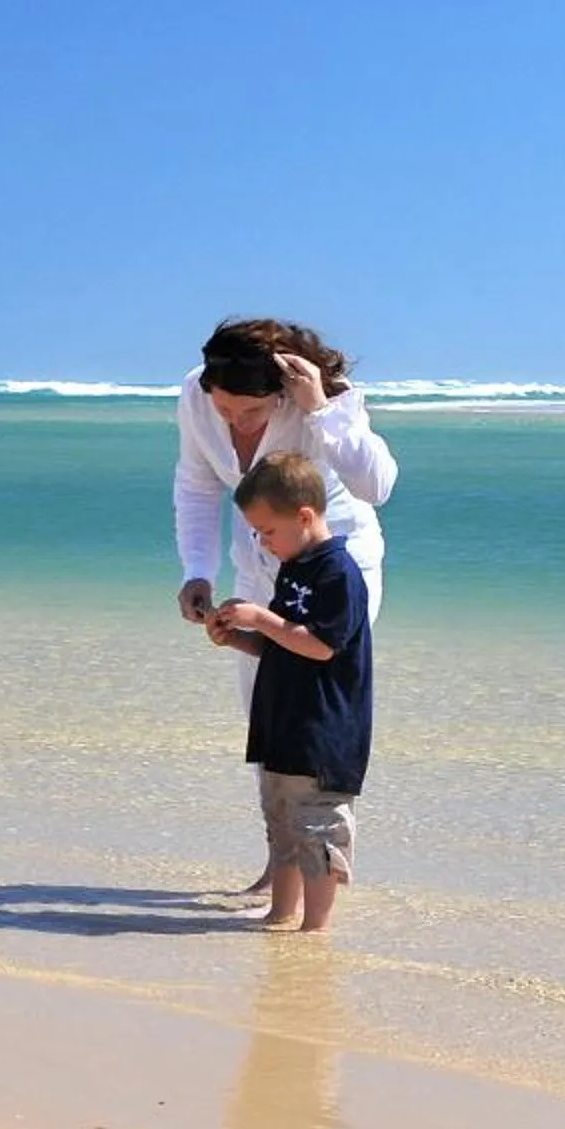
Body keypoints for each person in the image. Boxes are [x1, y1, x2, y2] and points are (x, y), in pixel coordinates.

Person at [172, 317, 397, 889]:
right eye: (225, 411)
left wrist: (320, 408)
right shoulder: (198, 395)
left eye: (250, 413)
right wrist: (197, 571)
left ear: (279, 391)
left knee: (315, 718)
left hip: (332, 568)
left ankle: (322, 869)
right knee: (268, 715)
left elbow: (378, 485)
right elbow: (197, 484)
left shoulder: (322, 399)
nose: (235, 423)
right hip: (261, 562)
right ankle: (282, 866)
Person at [205, 452, 372, 933]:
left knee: (317, 829)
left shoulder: (338, 572)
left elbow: (320, 647)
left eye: (268, 531)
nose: (261, 542)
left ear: (304, 516)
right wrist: (238, 636)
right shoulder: (295, 566)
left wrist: (263, 617)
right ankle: (281, 913)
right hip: (283, 728)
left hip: (323, 733)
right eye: (256, 532)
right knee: (281, 825)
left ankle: (313, 928)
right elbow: (283, 645)